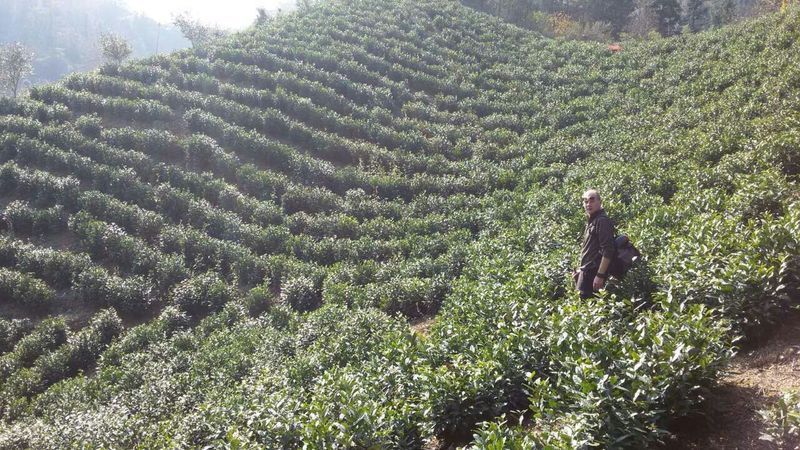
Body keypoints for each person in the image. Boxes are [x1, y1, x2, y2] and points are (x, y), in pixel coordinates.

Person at [575, 189, 615, 299]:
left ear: (600, 202)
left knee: (586, 307)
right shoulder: (592, 220)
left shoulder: (602, 221)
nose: (588, 204)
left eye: (592, 201)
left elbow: (608, 250)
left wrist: (600, 275)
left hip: (593, 274)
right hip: (586, 272)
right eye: (585, 201)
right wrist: (581, 269)